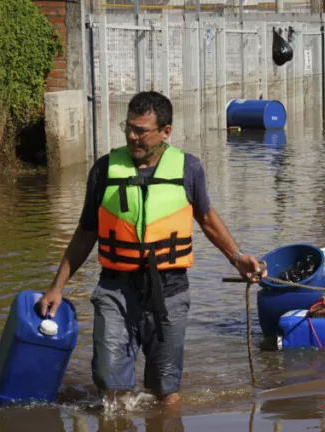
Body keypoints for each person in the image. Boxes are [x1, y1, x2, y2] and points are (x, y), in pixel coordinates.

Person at [38, 91, 266, 409]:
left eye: (141, 130)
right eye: (128, 127)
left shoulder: (189, 169)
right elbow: (85, 234)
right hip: (115, 289)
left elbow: (207, 218)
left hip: (169, 292)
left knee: (166, 392)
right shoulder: (104, 171)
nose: (132, 136)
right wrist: (56, 287)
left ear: (166, 131)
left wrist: (237, 257)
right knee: (111, 392)